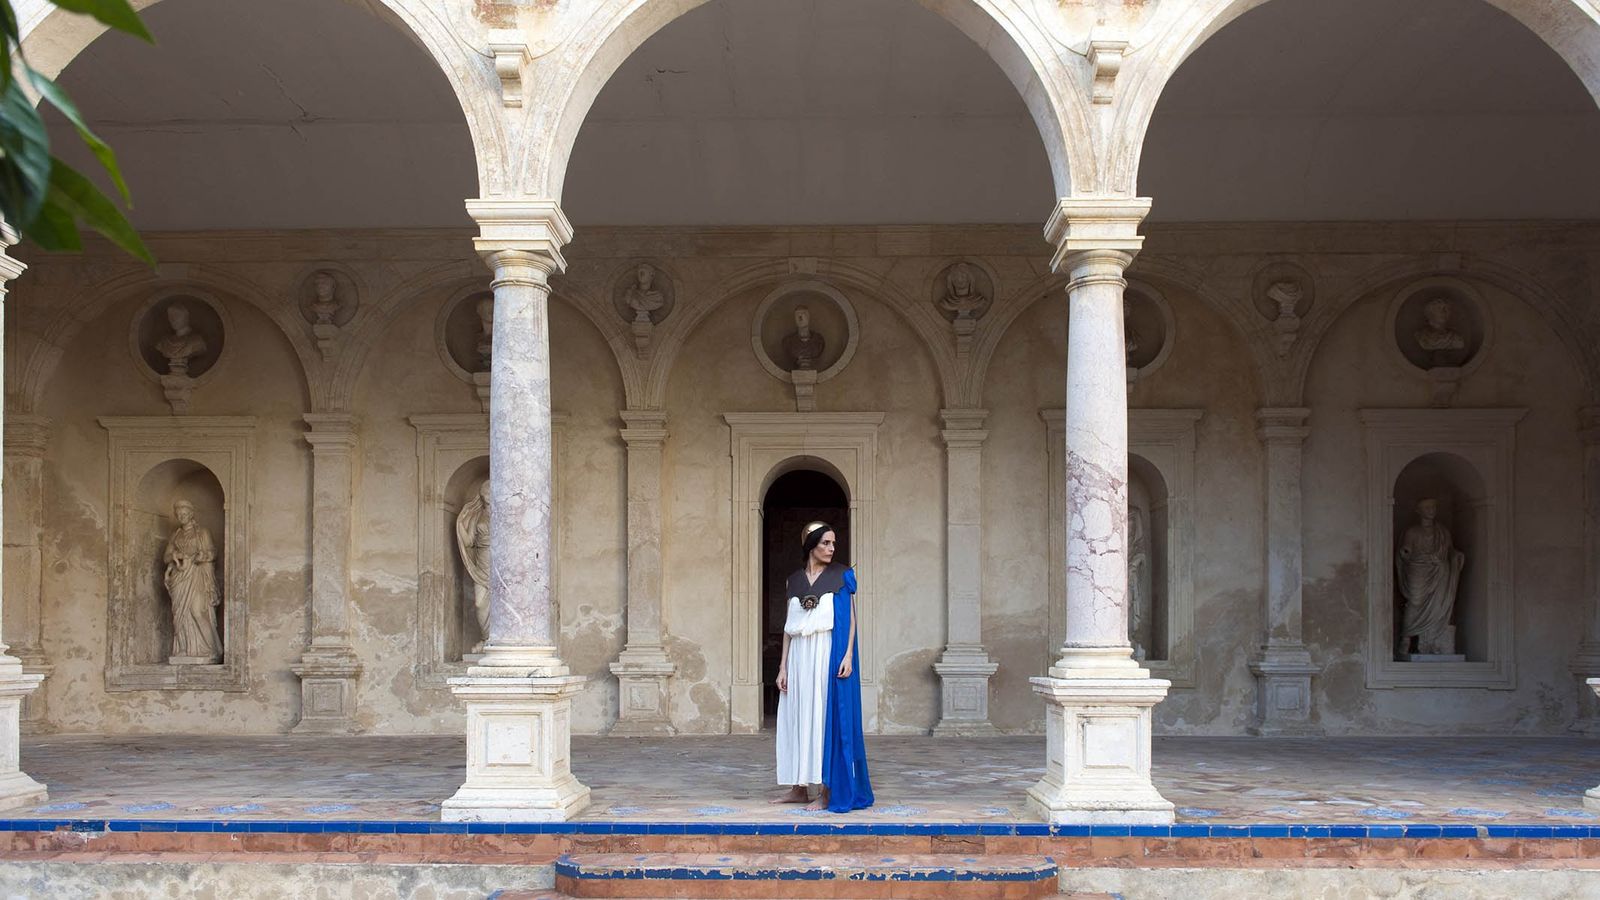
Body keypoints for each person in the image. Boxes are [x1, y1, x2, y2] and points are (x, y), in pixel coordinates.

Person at [772, 521, 873, 812]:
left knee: (821, 717)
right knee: (797, 716)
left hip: (827, 652)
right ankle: (798, 788)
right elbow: (789, 628)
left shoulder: (842, 576)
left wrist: (848, 655)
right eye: (825, 543)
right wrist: (782, 667)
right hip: (799, 656)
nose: (831, 548)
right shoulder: (794, 580)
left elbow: (851, 620)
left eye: (833, 543)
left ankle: (827, 790)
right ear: (811, 546)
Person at [164, 499, 222, 663]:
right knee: (179, 614)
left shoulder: (202, 532)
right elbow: (166, 557)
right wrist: (176, 556)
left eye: (185, 513)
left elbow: (212, 553)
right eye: (179, 514)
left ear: (191, 514)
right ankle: (183, 649)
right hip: (179, 577)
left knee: (197, 611)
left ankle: (211, 649)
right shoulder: (176, 535)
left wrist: (198, 556)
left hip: (197, 575)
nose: (181, 516)